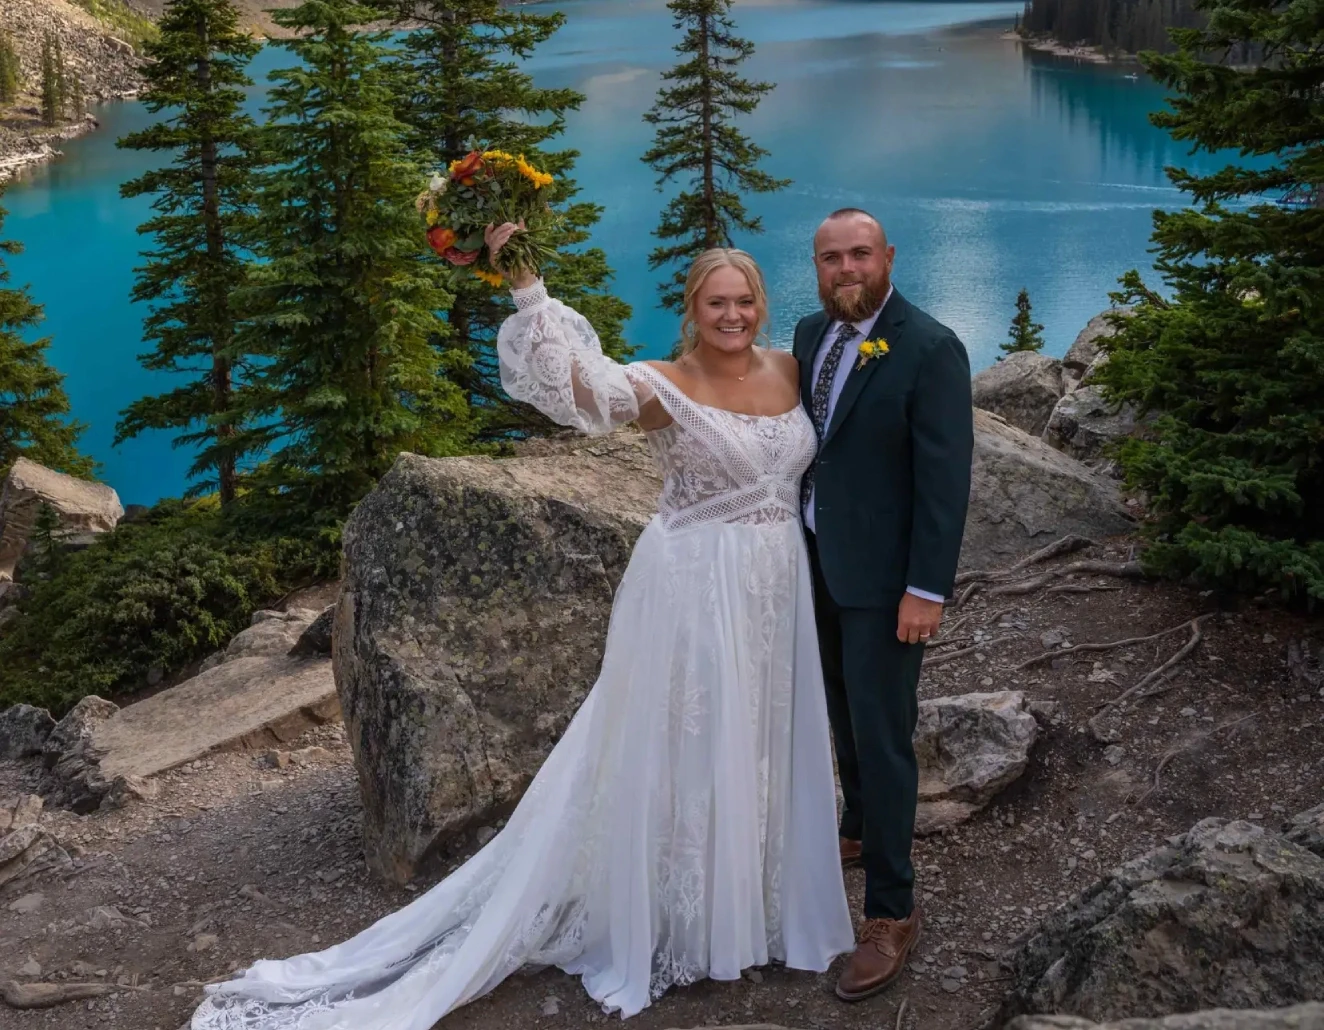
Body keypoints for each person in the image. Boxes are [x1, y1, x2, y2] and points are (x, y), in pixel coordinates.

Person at [189, 227, 854, 1030]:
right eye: (717, 302)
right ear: (692, 309)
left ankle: (759, 904)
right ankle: (690, 920)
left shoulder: (789, 368)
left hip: (777, 585)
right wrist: (527, 285)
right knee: (693, 738)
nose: (733, 315)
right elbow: (578, 390)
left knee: (760, 734)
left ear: (761, 305)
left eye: (744, 301)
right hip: (695, 586)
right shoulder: (662, 385)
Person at [793, 208, 974, 1002]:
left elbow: (945, 480)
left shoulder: (930, 347)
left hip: (887, 583)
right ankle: (858, 826)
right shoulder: (809, 335)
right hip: (813, 567)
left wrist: (926, 589)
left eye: (859, 254)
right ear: (817, 266)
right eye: (831, 257)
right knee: (841, 713)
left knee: (884, 733)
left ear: (888, 257)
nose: (846, 269)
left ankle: (892, 909)